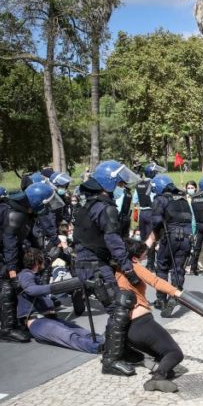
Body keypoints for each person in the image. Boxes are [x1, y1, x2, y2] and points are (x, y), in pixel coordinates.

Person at [0, 183, 62, 343]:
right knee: (6, 282)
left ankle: (22, 318)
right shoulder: (15, 213)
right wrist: (12, 272)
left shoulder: (27, 210)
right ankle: (7, 330)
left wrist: (39, 255)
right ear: (38, 202)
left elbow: (28, 237)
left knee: (23, 271)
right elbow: (10, 243)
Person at [73, 160, 142, 376]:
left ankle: (121, 348)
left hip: (89, 262)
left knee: (118, 306)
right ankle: (111, 360)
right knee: (119, 307)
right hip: (94, 265)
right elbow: (113, 240)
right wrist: (127, 268)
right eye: (120, 184)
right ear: (109, 184)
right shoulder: (104, 208)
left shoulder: (89, 204)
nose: (123, 187)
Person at [117, 239, 185, 393]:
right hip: (142, 323)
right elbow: (154, 281)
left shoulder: (116, 270)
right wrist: (176, 292)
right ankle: (157, 379)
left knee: (163, 354)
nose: (145, 256)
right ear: (135, 257)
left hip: (127, 329)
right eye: (143, 254)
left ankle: (163, 370)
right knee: (175, 353)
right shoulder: (133, 266)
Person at [17, 248, 103, 354]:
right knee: (69, 336)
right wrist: (57, 287)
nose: (44, 261)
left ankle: (109, 342)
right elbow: (31, 290)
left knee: (83, 332)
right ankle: (102, 349)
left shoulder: (37, 274)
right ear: (36, 262)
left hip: (50, 319)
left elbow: (45, 266)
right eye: (42, 259)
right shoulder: (26, 274)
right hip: (37, 322)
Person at [149, 174, 193, 318]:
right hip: (186, 237)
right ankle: (175, 294)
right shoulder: (183, 200)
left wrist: (154, 238)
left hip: (169, 237)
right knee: (178, 268)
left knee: (162, 266)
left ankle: (161, 299)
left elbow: (155, 221)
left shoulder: (160, 199)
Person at [133, 163, 164, 271]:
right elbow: (153, 199)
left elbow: (135, 200)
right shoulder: (153, 184)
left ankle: (140, 261)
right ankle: (150, 264)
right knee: (152, 238)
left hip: (142, 213)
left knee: (143, 238)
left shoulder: (138, 184)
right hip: (151, 212)